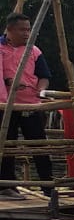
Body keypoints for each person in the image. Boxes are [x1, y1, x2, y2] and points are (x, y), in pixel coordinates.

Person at [0, 12, 54, 196]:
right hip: (6, 105)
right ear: (9, 30)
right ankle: (7, 185)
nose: (26, 33)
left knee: (39, 146)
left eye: (28, 29)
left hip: (31, 104)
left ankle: (48, 186)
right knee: (7, 146)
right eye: (22, 30)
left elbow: (44, 76)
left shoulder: (34, 50)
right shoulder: (1, 49)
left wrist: (40, 91)